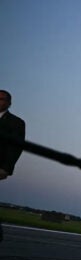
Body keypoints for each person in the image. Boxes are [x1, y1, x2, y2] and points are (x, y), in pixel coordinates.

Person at [0, 89, 26, 242]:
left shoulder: (16, 123)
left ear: (9, 103)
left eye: (2, 99)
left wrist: (6, 168)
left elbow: (16, 147)